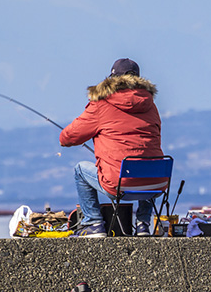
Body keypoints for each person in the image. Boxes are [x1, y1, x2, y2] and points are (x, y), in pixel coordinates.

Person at [60, 58, 164, 237]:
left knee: (80, 170)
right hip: (156, 182)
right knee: (146, 164)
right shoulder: (151, 106)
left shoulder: (101, 104)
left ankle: (93, 224)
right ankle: (143, 224)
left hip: (119, 182)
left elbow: (68, 137)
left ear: (111, 79)